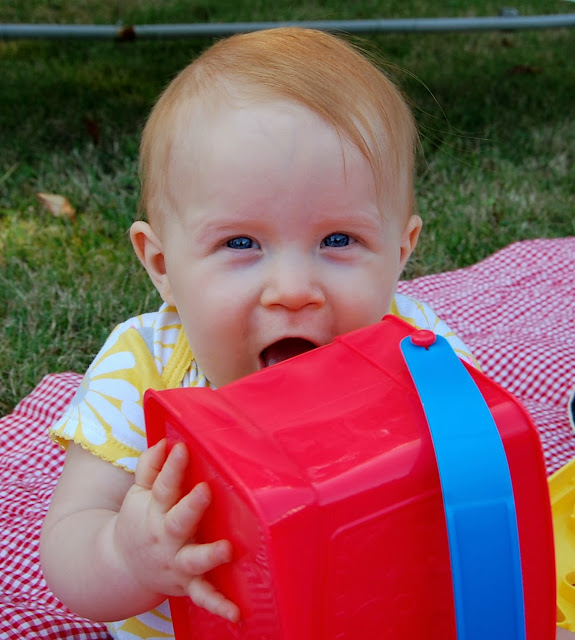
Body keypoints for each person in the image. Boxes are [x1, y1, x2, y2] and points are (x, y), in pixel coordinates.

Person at [42, 26, 497, 639]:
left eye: (338, 239)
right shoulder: (144, 370)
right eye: (241, 243)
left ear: (400, 251)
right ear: (163, 265)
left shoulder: (416, 348)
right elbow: (68, 546)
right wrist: (126, 556)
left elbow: (481, 468)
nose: (292, 288)